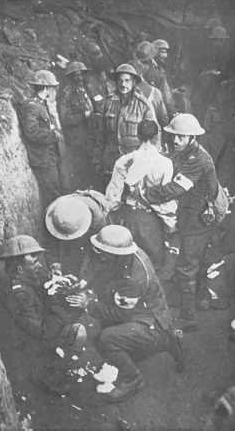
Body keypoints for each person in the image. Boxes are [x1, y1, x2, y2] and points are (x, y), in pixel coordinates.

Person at [65, 225, 184, 403]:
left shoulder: (135, 277)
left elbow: (118, 314)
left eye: (104, 252)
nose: (99, 254)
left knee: (105, 340)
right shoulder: (119, 255)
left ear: (118, 254)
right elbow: (97, 263)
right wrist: (83, 283)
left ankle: (134, 378)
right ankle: (168, 341)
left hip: (149, 318)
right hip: (137, 308)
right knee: (117, 343)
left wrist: (88, 304)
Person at [143, 113, 219, 331]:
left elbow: (175, 189)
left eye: (181, 137)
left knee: (185, 268)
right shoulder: (187, 153)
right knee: (199, 261)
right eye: (174, 136)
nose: (176, 140)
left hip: (197, 221)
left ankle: (188, 317)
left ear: (192, 137)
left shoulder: (195, 161)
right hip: (197, 216)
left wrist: (145, 193)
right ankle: (201, 299)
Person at [0, 235, 87, 394]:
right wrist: (58, 303)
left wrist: (58, 286)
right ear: (20, 269)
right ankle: (43, 373)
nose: (39, 265)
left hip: (32, 337)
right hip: (27, 349)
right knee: (77, 333)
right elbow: (45, 331)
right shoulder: (19, 295)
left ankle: (46, 367)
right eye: (34, 262)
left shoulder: (24, 281)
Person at [106, 119, 177, 272]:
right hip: (152, 222)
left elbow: (113, 199)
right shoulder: (165, 164)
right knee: (153, 268)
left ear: (137, 136)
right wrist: (170, 225)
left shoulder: (123, 161)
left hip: (130, 217)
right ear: (156, 136)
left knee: (128, 265)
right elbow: (165, 199)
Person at [93, 63, 154, 189]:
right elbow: (102, 134)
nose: (123, 84)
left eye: (127, 80)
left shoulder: (143, 105)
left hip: (133, 162)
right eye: (120, 80)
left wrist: (150, 161)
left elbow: (154, 134)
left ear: (133, 82)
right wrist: (97, 160)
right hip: (111, 160)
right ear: (116, 82)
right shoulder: (109, 102)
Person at [19, 70, 63, 209]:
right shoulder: (32, 105)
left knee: (57, 189)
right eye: (52, 87)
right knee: (53, 194)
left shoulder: (40, 103)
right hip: (42, 158)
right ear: (47, 88)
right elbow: (31, 131)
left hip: (49, 155)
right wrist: (53, 135)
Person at [43, 189, 112, 277]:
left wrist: (86, 278)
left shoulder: (98, 219)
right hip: (78, 222)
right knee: (72, 254)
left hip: (96, 219)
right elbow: (48, 243)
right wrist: (54, 264)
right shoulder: (51, 215)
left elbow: (101, 253)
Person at [57, 61, 100, 192]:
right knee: (79, 173)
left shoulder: (89, 88)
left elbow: (99, 105)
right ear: (70, 77)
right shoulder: (66, 93)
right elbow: (64, 119)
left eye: (82, 74)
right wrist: (83, 116)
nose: (79, 78)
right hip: (76, 141)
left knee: (93, 170)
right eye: (75, 75)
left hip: (91, 137)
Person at [134, 41, 176, 119]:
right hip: (152, 116)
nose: (165, 55)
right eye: (163, 52)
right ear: (153, 55)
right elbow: (167, 100)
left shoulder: (130, 69)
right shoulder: (158, 73)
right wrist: (173, 115)